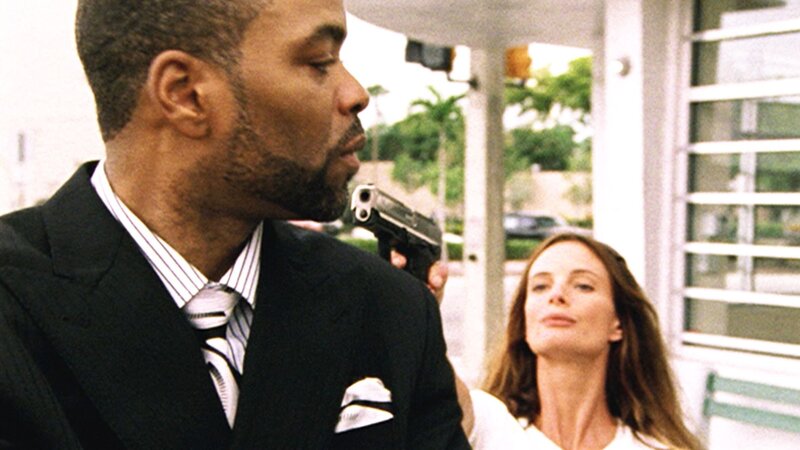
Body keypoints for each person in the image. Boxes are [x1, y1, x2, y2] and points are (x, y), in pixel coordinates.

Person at [0, 0, 469, 448]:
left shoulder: (389, 311)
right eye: (319, 62)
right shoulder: (13, 315)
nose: (355, 93)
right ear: (185, 93)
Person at [461, 233, 702, 450]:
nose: (556, 295)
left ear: (618, 323)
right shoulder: (485, 427)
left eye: (583, 286)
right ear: (524, 322)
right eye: (540, 286)